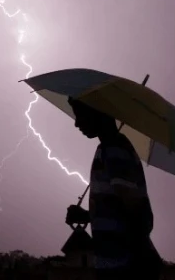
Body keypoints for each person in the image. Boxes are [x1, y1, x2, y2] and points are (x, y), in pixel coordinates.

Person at [65, 97, 163, 280]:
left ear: (99, 113)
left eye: (80, 115)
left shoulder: (115, 150)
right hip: (115, 265)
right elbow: (118, 209)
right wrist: (88, 215)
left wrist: (141, 262)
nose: (77, 123)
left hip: (127, 268)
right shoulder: (107, 149)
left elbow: (135, 210)